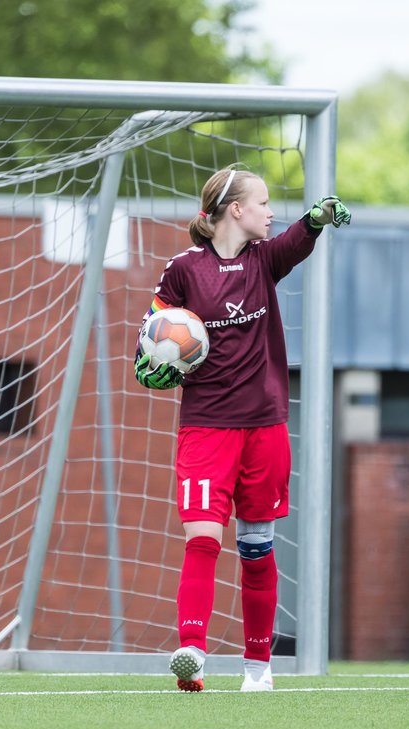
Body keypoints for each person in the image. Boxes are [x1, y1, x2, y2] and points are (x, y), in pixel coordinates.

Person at [133, 165, 350, 692]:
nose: (271, 212)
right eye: (264, 203)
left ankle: (258, 668)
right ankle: (192, 651)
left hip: (265, 427)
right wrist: (152, 360)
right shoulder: (183, 269)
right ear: (236, 210)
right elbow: (154, 329)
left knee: (257, 546)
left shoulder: (264, 259)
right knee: (202, 538)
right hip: (207, 427)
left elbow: (298, 239)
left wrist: (318, 217)